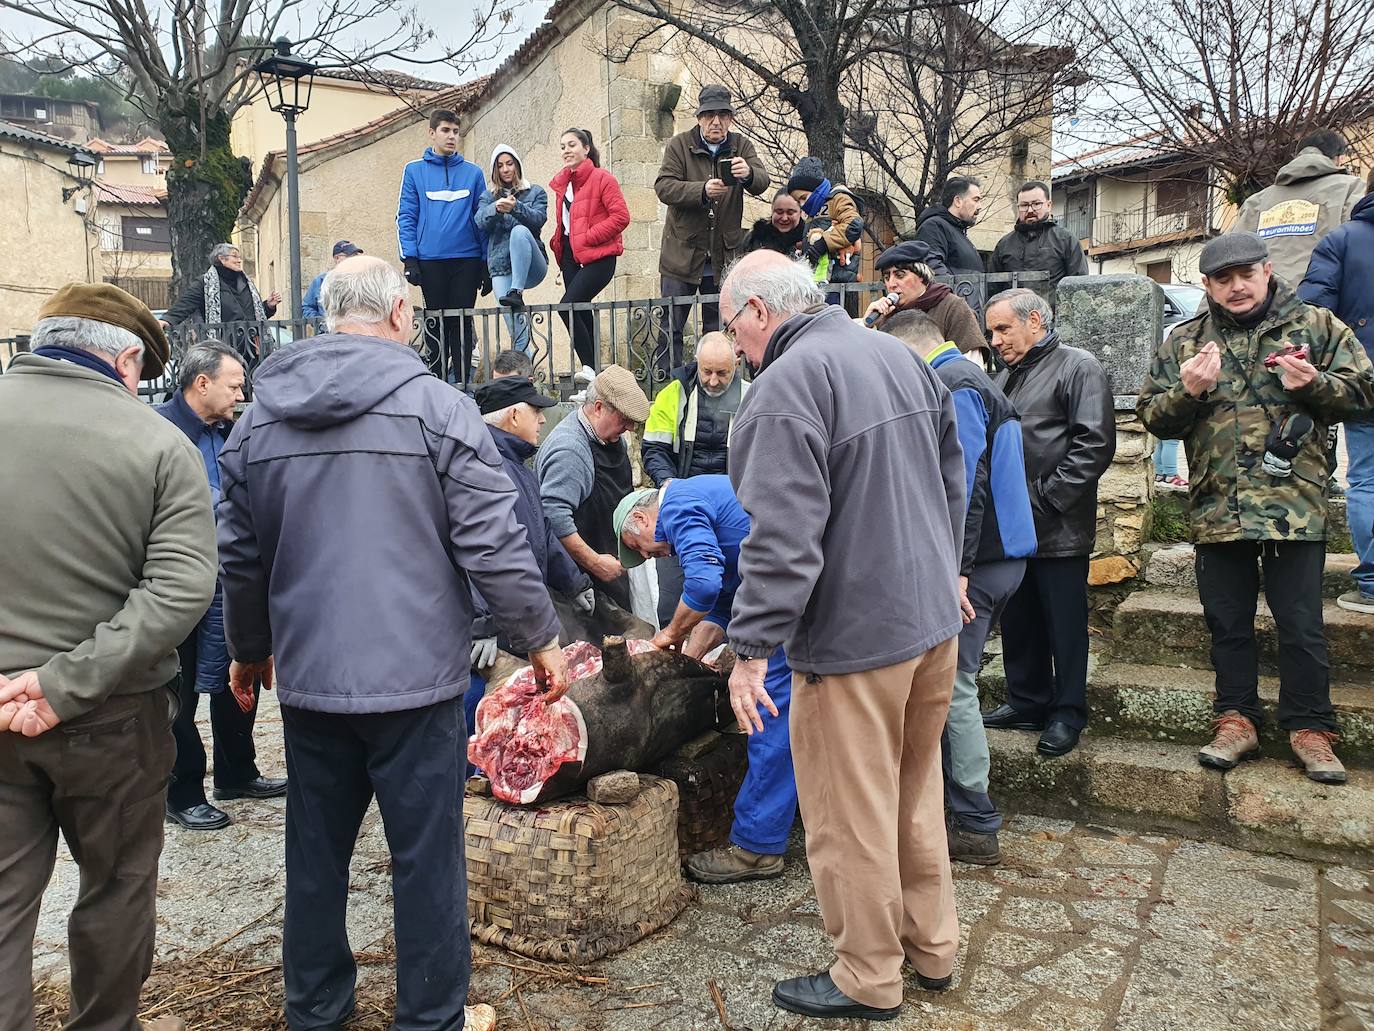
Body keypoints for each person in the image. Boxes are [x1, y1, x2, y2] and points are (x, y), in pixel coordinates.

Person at [217, 255, 566, 1031]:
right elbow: (494, 544)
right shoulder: (441, 411)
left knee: (314, 857)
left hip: (310, 680)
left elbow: (238, 556)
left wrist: (248, 649)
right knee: (426, 863)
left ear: (326, 315)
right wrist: (540, 638)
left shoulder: (257, 421)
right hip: (416, 684)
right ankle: (430, 1019)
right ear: (402, 315)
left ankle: (314, 1012)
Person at [720, 251, 966, 1022]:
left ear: (759, 310)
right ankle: (933, 949)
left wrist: (750, 648)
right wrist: (945, 571)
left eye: (732, 329)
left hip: (857, 640)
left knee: (848, 813)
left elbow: (782, 539)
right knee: (914, 790)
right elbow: (955, 476)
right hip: (931, 622)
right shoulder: (898, 352)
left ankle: (868, 974)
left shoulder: (785, 386)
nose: (736, 347)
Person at [0, 283, 216, 1031]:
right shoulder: (159, 443)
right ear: (129, 360)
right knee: (118, 890)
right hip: (112, 718)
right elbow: (183, 588)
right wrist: (66, 684)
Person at [1138, 233, 1374, 783]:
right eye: (1223, 279)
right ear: (1208, 285)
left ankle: (1311, 728)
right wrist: (1189, 392)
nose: (1236, 287)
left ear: (1267, 271)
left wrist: (1317, 385)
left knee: (1301, 624)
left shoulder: (1316, 327)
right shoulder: (1185, 341)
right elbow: (1154, 416)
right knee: (1228, 622)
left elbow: (1365, 392)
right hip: (1219, 505)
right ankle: (1236, 718)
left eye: (1246, 274)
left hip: (1296, 504)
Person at [882, 310, 1037, 866]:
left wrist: (955, 569)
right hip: (999, 556)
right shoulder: (972, 380)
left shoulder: (954, 384)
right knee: (951, 683)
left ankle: (975, 821)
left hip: (980, 563)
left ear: (909, 350)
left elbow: (964, 480)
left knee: (956, 687)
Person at [615, 477, 797, 883]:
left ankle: (757, 846)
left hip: (786, 601)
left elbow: (703, 583)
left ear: (643, 518)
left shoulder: (677, 502)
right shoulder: (704, 502)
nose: (653, 555)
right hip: (789, 591)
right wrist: (690, 658)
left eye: (642, 549)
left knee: (763, 713)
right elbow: (722, 606)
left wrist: (668, 636)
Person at [157, 342, 287, 831]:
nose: (242, 393)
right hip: (179, 580)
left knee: (240, 672)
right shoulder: (158, 430)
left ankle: (237, 773)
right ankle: (182, 790)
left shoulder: (233, 431)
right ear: (201, 382)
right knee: (180, 690)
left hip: (229, 578)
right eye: (234, 384)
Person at [981, 288, 1114, 758]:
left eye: (1003, 328)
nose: (994, 339)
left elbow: (1093, 445)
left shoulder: (1079, 366)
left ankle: (1067, 712)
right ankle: (1027, 700)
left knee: (1064, 624)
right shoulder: (1005, 377)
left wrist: (1041, 502)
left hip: (1057, 527)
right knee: (1019, 621)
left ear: (1034, 321)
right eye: (992, 330)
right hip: (1014, 530)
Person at [467, 374, 595, 745]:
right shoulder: (484, 467)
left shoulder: (521, 469)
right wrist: (483, 623)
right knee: (479, 716)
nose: (542, 420)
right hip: (489, 628)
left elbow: (542, 536)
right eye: (536, 411)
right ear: (512, 415)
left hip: (515, 617)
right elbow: (478, 548)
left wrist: (575, 582)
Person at [654, 84, 770, 370]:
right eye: (709, 115)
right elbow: (664, 187)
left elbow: (763, 181)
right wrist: (702, 191)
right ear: (699, 118)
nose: (715, 122)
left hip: (723, 256)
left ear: (730, 118)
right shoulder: (680, 145)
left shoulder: (742, 146)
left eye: (722, 115)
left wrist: (749, 173)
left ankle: (716, 388)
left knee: (719, 328)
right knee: (671, 328)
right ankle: (666, 388)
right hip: (681, 254)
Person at [1300, 173, 1374, 614]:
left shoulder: (1343, 240)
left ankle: (1372, 582)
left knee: (1366, 477)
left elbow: (1314, 311)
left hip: (1365, 374)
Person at [641, 331, 748, 626]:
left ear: (736, 365)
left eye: (722, 373)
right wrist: (668, 483)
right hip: (683, 514)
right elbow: (653, 449)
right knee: (673, 603)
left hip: (730, 515)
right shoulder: (673, 394)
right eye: (707, 372)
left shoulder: (752, 397)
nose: (713, 380)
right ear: (696, 363)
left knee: (732, 605)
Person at [536, 364, 650, 611]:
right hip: (581, 582)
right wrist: (595, 562)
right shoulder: (570, 451)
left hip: (609, 568)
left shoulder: (608, 436)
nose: (630, 428)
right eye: (624, 419)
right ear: (598, 408)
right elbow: (554, 517)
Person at [397, 109, 489, 384]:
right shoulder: (414, 171)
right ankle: (436, 384)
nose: (451, 136)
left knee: (461, 325)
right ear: (432, 133)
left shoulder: (473, 173)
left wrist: (485, 263)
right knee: (434, 326)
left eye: (455, 132)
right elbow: (406, 215)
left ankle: (461, 387)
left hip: (467, 260)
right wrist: (409, 259)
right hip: (430, 260)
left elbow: (482, 218)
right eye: (445, 130)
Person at [1232, 129, 1364, 285]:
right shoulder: (1353, 188)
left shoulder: (1256, 201)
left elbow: (1229, 258)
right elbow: (1360, 250)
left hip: (1261, 302)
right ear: (1339, 159)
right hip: (1322, 301)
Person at [549, 127, 630, 377]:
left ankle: (589, 369)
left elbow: (621, 217)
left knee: (567, 307)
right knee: (580, 308)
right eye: (562, 146)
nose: (566, 150)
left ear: (586, 149)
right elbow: (564, 223)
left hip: (600, 256)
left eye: (572, 145)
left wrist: (588, 237)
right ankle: (595, 374)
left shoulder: (602, 178)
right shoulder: (562, 185)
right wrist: (559, 246)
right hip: (570, 256)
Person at [477, 145, 548, 354]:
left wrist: (516, 207)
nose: (506, 169)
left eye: (509, 164)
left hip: (532, 266)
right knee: (514, 324)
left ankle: (516, 290)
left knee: (519, 231)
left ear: (517, 165)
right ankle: (526, 373)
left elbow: (538, 220)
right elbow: (479, 221)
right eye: (500, 166)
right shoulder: (488, 196)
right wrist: (496, 209)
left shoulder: (535, 191)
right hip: (501, 267)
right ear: (495, 171)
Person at [863, 240, 986, 356]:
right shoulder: (884, 314)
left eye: (900, 275)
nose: (891, 284)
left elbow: (971, 365)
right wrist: (867, 326)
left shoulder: (952, 307)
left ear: (921, 275)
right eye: (886, 277)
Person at [163, 242, 282, 361]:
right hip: (225, 349)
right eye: (235, 256)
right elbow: (186, 303)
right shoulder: (205, 283)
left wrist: (268, 306)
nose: (239, 260)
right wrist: (167, 319)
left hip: (252, 348)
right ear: (222, 259)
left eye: (239, 257)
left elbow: (253, 314)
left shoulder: (246, 283)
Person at [990, 180, 1087, 290]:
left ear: (1049, 205)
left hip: (1052, 307)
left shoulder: (1065, 239)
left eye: (1036, 204)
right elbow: (992, 288)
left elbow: (1079, 284)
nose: (1030, 210)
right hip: (1012, 306)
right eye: (1024, 205)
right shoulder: (1004, 244)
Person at [787, 157, 865, 291]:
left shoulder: (837, 198)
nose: (802, 204)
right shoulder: (814, 209)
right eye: (798, 201)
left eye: (804, 197)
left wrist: (823, 243)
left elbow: (853, 224)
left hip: (837, 278)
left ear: (817, 188)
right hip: (818, 278)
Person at [914, 176, 985, 274]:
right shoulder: (933, 227)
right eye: (976, 200)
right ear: (957, 201)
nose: (980, 206)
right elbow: (933, 269)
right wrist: (955, 289)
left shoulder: (956, 230)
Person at [301, 240, 363, 320]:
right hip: (329, 331)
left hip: (355, 330)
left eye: (355, 256)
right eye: (350, 256)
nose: (354, 260)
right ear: (337, 258)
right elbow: (307, 307)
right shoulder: (320, 281)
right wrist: (322, 323)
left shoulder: (361, 281)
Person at [741, 190, 806, 256]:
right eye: (779, 212)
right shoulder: (755, 238)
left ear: (800, 212)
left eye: (790, 213)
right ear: (772, 211)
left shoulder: (809, 239)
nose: (784, 218)